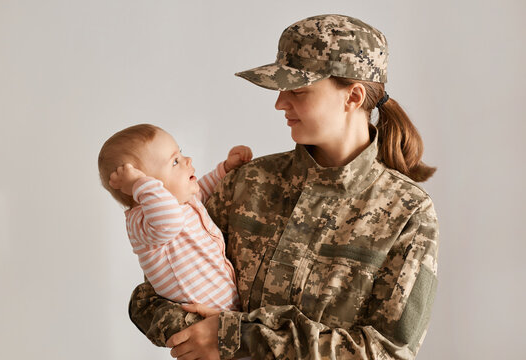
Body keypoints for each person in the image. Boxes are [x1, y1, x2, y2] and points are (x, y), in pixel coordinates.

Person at [128, 14, 439, 360]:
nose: (279, 103)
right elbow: (151, 298)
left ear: (353, 96)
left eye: (298, 91)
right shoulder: (247, 182)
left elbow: (390, 352)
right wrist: (199, 332)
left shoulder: (408, 212)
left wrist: (234, 337)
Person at [98, 124, 252, 311]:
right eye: (175, 162)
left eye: (181, 153)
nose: (187, 160)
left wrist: (225, 170)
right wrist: (140, 184)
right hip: (202, 318)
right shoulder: (143, 221)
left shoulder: (181, 202)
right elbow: (170, 222)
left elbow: (201, 190)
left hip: (227, 307)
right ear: (140, 190)